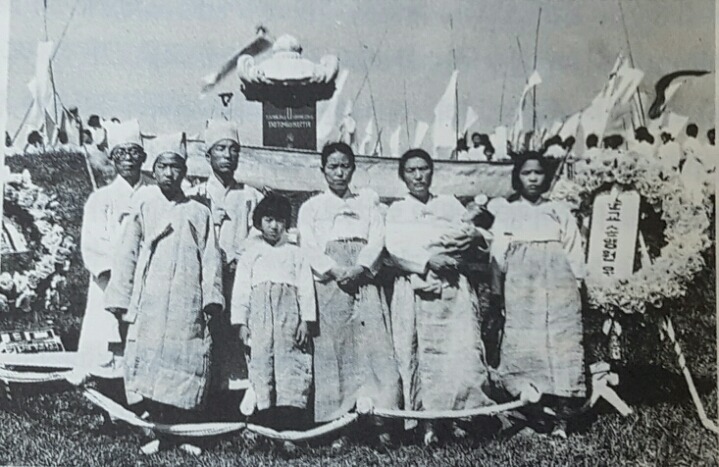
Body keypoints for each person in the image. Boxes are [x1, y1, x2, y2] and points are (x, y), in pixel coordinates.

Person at [104, 132, 224, 452]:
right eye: (163, 166)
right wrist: (120, 299)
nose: (170, 173)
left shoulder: (199, 212)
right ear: (153, 170)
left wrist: (212, 299)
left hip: (188, 299)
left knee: (184, 360)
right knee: (151, 359)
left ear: (185, 171)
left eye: (176, 167)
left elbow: (211, 259)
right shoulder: (144, 206)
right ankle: (156, 432)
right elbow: (128, 255)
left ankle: (185, 433)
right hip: (151, 299)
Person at [385, 148, 494, 446]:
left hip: (452, 288)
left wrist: (469, 241)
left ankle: (461, 417)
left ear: (432, 172)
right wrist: (427, 260)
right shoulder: (397, 210)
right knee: (421, 353)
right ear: (403, 176)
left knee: (458, 350)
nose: (418, 176)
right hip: (416, 286)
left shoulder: (449, 204)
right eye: (411, 170)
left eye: (424, 169)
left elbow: (470, 235)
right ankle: (427, 422)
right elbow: (394, 247)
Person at [297, 142, 401, 449]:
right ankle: (339, 425)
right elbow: (308, 244)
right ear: (323, 170)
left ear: (353, 169)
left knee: (374, 348)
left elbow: (378, 237)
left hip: (363, 277)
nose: (339, 173)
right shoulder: (312, 207)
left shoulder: (367, 204)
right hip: (330, 282)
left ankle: (381, 421)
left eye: (345, 166)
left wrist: (360, 267)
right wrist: (333, 269)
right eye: (333, 167)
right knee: (334, 351)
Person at [489, 152, 586, 438]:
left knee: (561, 345)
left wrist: (576, 284)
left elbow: (574, 251)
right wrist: (497, 294)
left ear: (546, 177)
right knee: (524, 345)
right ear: (517, 177)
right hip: (521, 289)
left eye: (538, 173)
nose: (532, 178)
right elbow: (497, 256)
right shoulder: (508, 212)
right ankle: (530, 413)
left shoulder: (558, 210)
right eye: (526, 173)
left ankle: (562, 417)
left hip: (559, 287)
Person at [188, 119, 263, 414]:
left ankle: (239, 399)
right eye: (221, 149)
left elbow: (258, 233)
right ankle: (208, 397)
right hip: (207, 277)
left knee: (239, 332)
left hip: (240, 275)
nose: (228, 155)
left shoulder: (250, 195)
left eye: (234, 150)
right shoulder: (196, 194)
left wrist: (238, 258)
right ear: (208, 155)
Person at [231, 194, 315, 447]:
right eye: (268, 220)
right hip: (260, 319)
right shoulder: (251, 254)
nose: (274, 226)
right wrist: (241, 322)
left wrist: (306, 321)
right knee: (261, 367)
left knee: (290, 368)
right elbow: (241, 290)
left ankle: (289, 430)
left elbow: (306, 288)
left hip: (289, 318)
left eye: (279, 220)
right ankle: (262, 427)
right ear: (259, 222)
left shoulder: (296, 254)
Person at [74, 120, 153, 386]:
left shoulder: (155, 194)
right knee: (108, 342)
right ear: (113, 157)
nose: (128, 158)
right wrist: (117, 282)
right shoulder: (100, 198)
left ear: (143, 157)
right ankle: (107, 384)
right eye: (121, 153)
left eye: (134, 152)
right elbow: (93, 245)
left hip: (149, 280)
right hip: (110, 283)